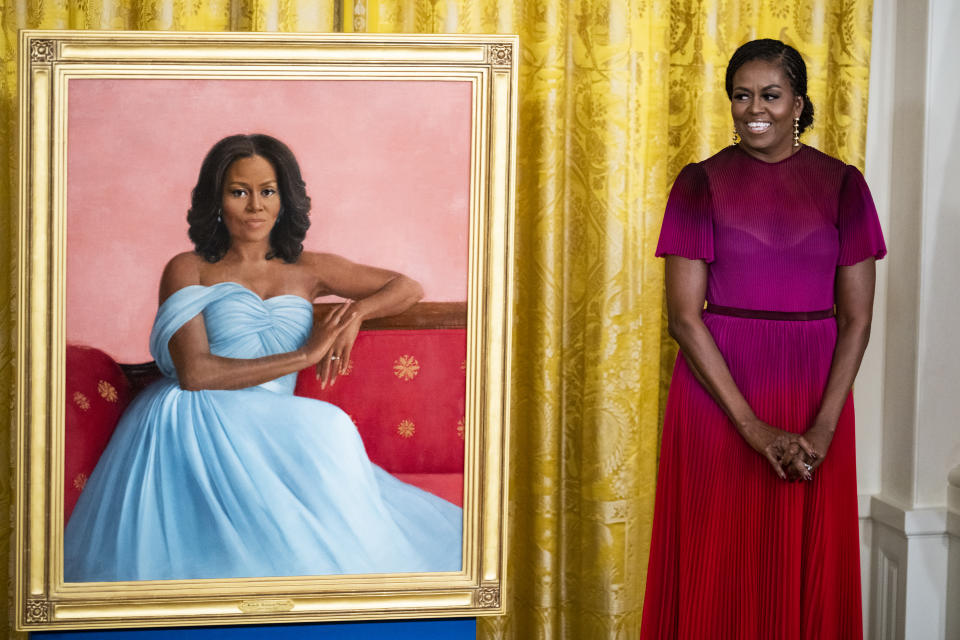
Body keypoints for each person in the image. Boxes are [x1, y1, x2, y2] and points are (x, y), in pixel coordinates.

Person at [64, 133, 462, 581]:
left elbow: (407, 287)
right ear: (217, 200)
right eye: (239, 192)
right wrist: (306, 354)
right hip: (195, 414)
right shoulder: (189, 268)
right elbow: (195, 373)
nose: (255, 206)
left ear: (284, 200)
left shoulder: (308, 268)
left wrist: (359, 313)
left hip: (272, 414)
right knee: (323, 426)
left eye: (267, 191)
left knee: (323, 430)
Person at [639, 39, 885, 639]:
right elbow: (683, 318)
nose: (756, 109)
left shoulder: (843, 185)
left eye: (771, 95)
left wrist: (824, 425)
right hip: (717, 397)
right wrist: (751, 426)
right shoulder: (699, 183)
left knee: (802, 558)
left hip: (812, 395)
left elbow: (856, 318)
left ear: (799, 103)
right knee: (713, 555)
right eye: (741, 96)